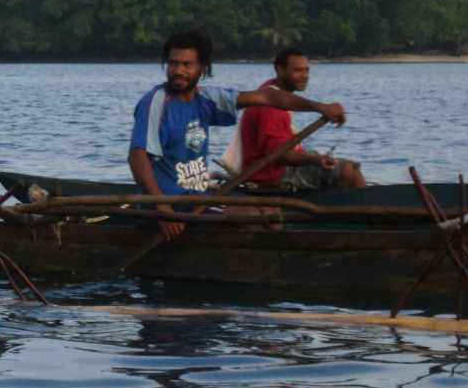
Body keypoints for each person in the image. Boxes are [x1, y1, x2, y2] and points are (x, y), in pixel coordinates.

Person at [129, 30, 347, 239]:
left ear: (202, 68)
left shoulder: (206, 99)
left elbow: (270, 98)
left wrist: (320, 107)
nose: (179, 71)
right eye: (173, 63)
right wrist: (162, 208)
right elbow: (137, 156)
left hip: (196, 197)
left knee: (265, 210)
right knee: (251, 217)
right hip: (170, 200)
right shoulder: (156, 102)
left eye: (187, 64)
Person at [241, 47, 367, 190]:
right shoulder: (272, 106)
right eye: (298, 70)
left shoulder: (272, 89)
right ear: (280, 70)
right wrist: (314, 160)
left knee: (350, 168)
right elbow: (276, 155)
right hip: (273, 173)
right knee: (347, 170)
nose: (305, 76)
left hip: (282, 165)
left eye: (307, 70)